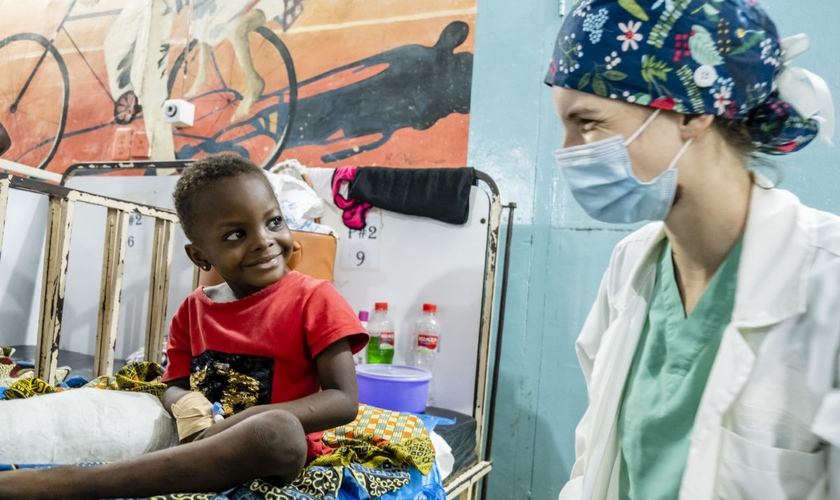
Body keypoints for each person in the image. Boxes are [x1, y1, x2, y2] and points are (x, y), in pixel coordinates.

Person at [547, 1, 837, 499]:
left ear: (692, 111)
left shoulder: (826, 282)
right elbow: (596, 458)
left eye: (589, 122)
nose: (569, 151)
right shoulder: (631, 269)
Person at [0, 154, 368, 499]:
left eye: (273, 221)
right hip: (199, 440)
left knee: (278, 432)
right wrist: (186, 403)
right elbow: (172, 386)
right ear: (200, 255)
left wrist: (245, 420)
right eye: (236, 235)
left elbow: (343, 400)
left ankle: (74, 484)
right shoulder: (194, 310)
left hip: (273, 452)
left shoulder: (314, 298)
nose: (263, 241)